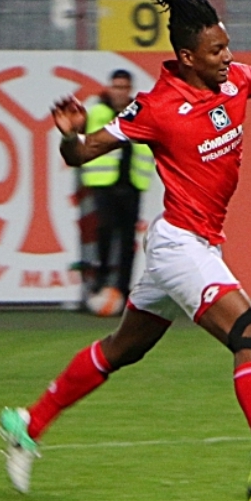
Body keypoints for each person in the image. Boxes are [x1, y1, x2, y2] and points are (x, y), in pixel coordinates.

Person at [0, 0, 251, 501]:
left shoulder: (234, 81)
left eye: (227, 44)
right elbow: (81, 157)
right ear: (188, 56)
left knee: (124, 349)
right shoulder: (155, 108)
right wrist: (70, 134)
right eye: (217, 49)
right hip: (180, 246)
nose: (228, 55)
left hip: (198, 246)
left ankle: (27, 424)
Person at [81, 69, 154, 316]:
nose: (120, 92)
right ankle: (98, 285)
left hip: (132, 182)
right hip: (104, 183)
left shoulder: (138, 112)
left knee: (126, 242)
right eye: (116, 86)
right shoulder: (98, 112)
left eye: (124, 87)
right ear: (109, 88)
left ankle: (122, 292)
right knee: (103, 232)